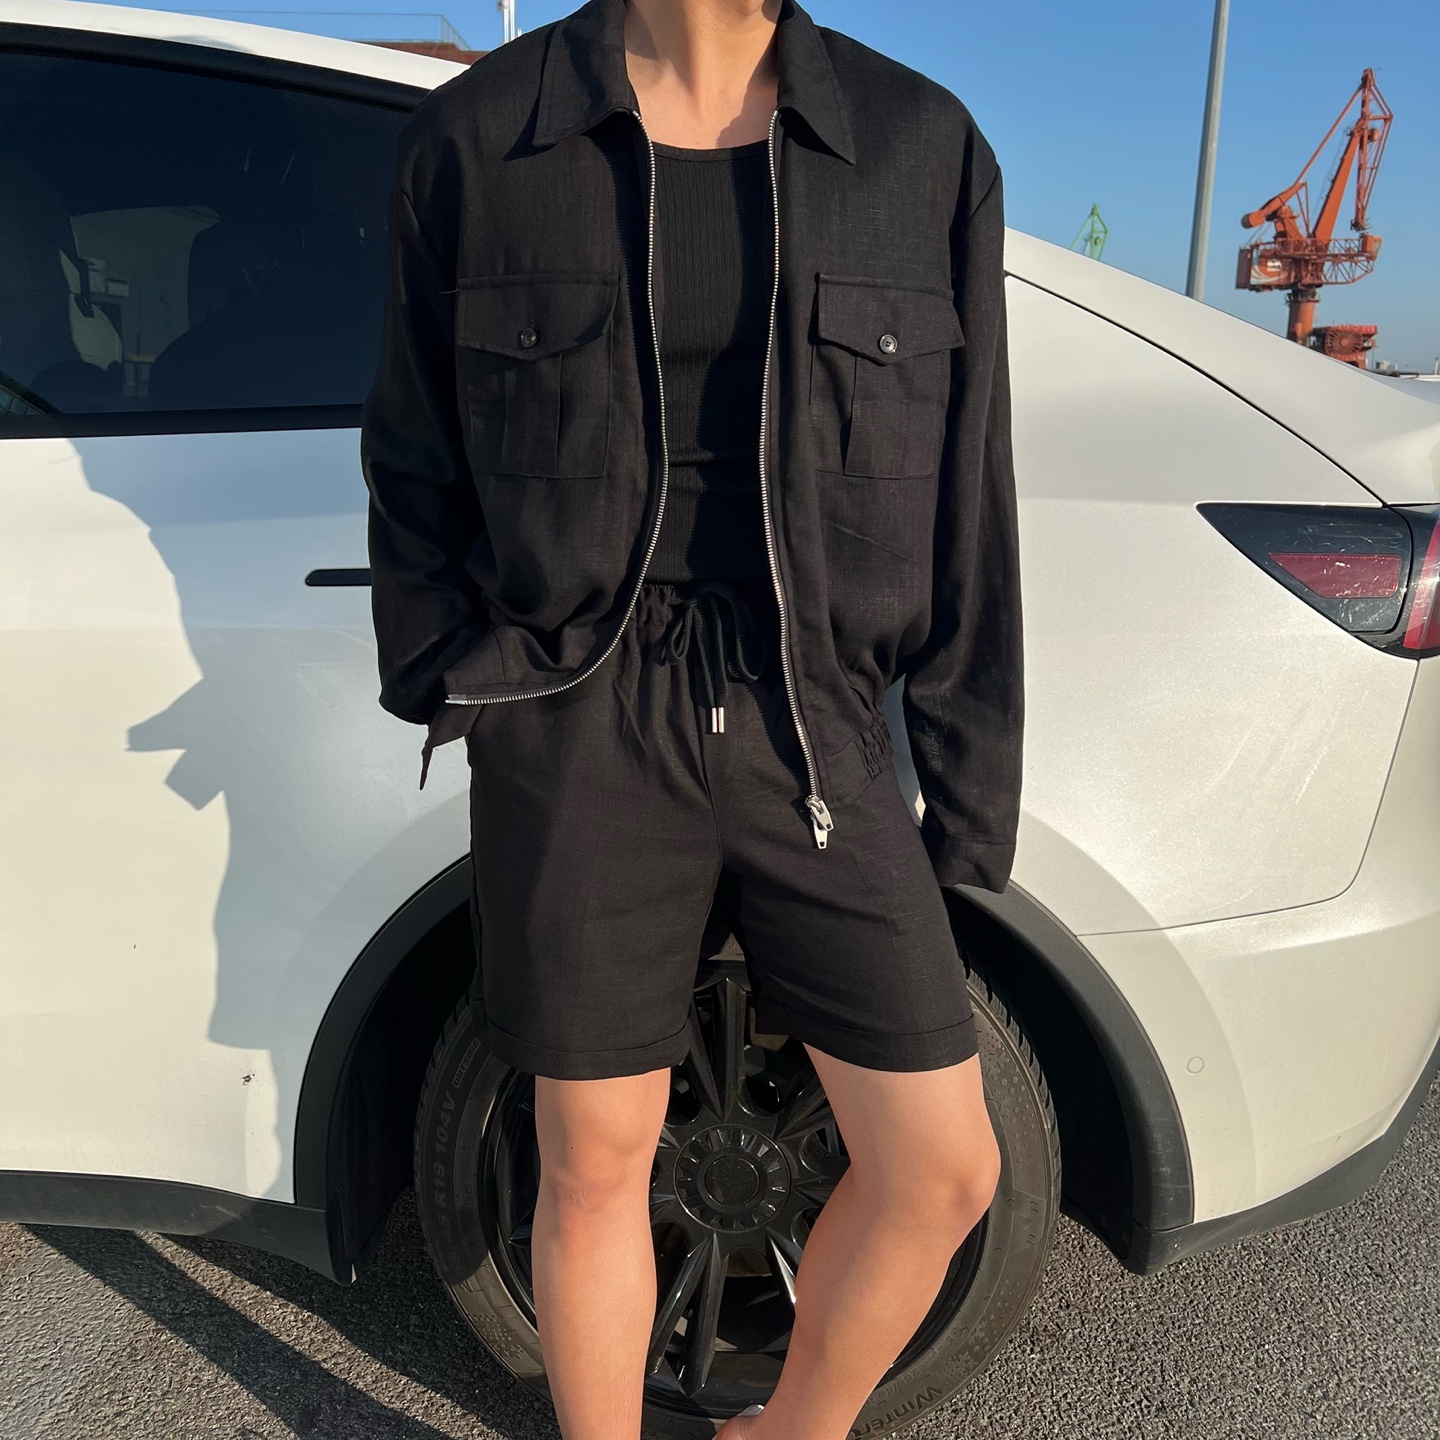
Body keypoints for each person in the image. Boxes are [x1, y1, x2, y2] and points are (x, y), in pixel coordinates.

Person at [361, 1, 1022, 1437]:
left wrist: (969, 789)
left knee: (940, 1166)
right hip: (581, 708)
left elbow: (972, 489)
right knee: (595, 1155)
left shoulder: (919, 145)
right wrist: (450, 675)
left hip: (815, 710)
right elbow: (411, 451)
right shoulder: (480, 137)